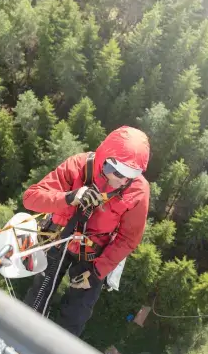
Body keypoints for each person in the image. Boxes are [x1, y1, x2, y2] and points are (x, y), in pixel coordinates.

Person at [21, 125, 150, 338]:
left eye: (130, 176)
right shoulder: (79, 166)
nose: (122, 181)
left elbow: (128, 238)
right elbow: (31, 198)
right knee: (37, 298)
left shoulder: (138, 191)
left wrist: (98, 271)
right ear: (104, 160)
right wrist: (68, 198)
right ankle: (21, 343)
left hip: (94, 256)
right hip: (59, 238)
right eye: (117, 173)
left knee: (74, 318)